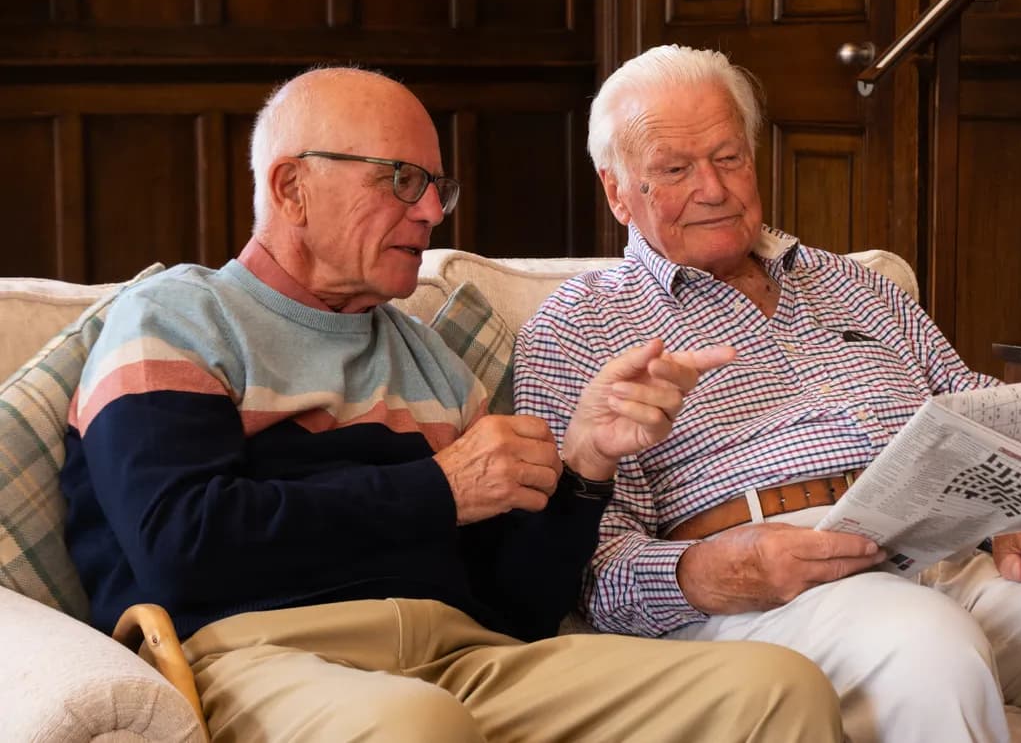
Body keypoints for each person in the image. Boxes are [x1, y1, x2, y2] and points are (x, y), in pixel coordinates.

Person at [60, 66, 845, 743]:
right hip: (257, 655)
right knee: (419, 725)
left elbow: (517, 607)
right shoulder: (178, 317)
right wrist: (439, 489)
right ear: (292, 187)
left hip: (464, 659)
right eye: (400, 180)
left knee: (778, 687)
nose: (433, 212)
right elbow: (180, 541)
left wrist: (584, 467)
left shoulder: (426, 355)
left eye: (437, 187)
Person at [513, 45, 1021, 743]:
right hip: (772, 592)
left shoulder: (857, 285)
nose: (712, 189)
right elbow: (586, 571)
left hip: (946, 551)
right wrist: (710, 572)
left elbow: (976, 407)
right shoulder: (579, 325)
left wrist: (1014, 503)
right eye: (674, 170)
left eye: (728, 157)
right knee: (923, 642)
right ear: (617, 191)